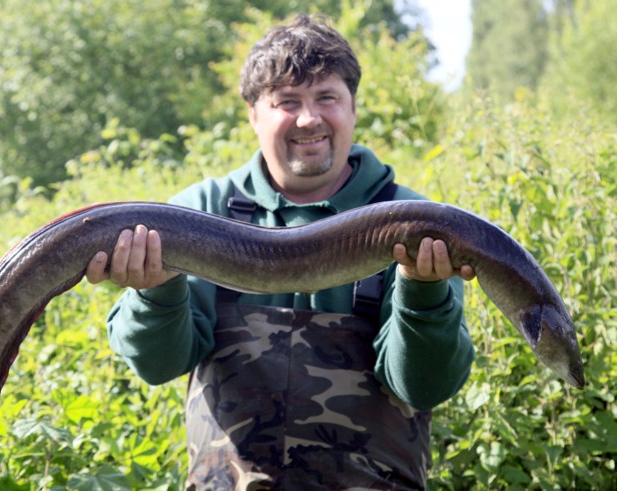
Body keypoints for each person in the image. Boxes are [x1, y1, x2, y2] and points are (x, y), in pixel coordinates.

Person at [87, 14, 476, 491]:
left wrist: (423, 293)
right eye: (287, 102)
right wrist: (156, 294)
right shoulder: (199, 213)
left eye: (326, 98)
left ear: (353, 107)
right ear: (253, 114)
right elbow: (157, 366)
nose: (309, 118)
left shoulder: (413, 223)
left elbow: (425, 387)